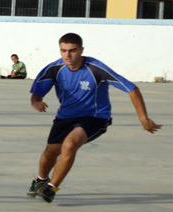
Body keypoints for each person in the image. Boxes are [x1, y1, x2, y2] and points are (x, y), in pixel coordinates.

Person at [27, 33, 162, 203]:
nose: (67, 55)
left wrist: (144, 119)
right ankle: (41, 180)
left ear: (81, 50)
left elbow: (132, 88)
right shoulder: (54, 69)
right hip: (65, 117)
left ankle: (51, 188)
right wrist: (36, 102)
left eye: (72, 51)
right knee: (50, 152)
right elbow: (37, 92)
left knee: (69, 144)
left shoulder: (95, 68)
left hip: (95, 117)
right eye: (63, 51)